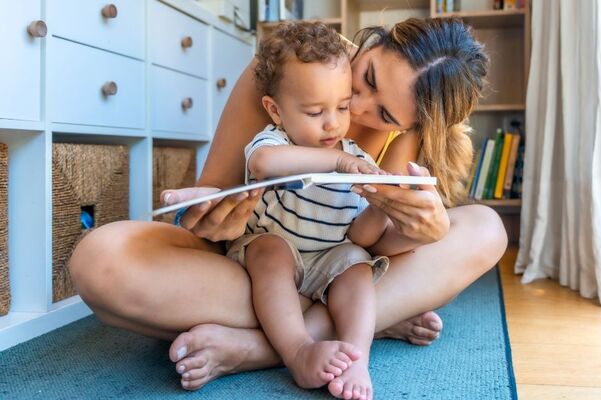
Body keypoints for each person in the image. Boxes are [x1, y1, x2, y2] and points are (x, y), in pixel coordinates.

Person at [68, 17, 507, 397]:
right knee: (100, 261)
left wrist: (419, 232)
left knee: (487, 229)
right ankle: (364, 324)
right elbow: (213, 194)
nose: (354, 108)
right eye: (368, 78)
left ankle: (261, 350)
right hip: (253, 262)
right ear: (374, 42)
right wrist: (218, 222)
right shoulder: (292, 66)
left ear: (412, 124)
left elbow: (368, 245)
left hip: (336, 266)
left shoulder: (407, 133)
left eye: (385, 115)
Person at [234, 21, 390, 398]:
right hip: (274, 248)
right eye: (314, 111)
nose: (333, 123)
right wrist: (332, 163)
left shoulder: (355, 157)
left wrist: (383, 205)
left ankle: (357, 357)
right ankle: (297, 351)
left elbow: (361, 236)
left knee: (357, 261)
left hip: (328, 258)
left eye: (341, 106)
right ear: (275, 110)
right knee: (268, 248)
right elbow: (263, 164)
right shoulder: (275, 140)